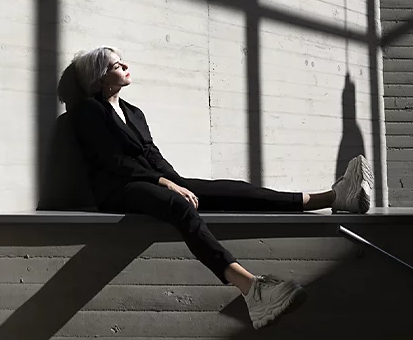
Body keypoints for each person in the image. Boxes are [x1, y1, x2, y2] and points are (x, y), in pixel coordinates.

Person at [61, 46, 374, 330]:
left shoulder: (133, 112)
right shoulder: (89, 111)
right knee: (179, 205)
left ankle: (333, 197)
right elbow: (113, 161)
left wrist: (178, 181)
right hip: (119, 190)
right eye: (117, 64)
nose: (126, 65)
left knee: (231, 189)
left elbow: (153, 154)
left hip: (153, 180)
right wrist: (166, 184)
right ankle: (252, 288)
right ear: (102, 77)